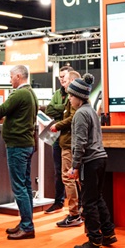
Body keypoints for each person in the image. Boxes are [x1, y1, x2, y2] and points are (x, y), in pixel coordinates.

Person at [0, 65, 39, 240]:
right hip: (25, 144)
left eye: (11, 76)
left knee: (19, 187)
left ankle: (27, 226)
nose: (10, 80)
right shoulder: (31, 93)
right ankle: (26, 223)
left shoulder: (19, 94)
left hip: (17, 145)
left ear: (18, 76)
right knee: (25, 186)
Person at [64, 75, 115, 248]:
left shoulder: (80, 114)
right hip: (101, 158)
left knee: (88, 202)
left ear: (79, 97)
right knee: (97, 197)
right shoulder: (91, 111)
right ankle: (108, 233)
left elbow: (80, 143)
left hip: (90, 161)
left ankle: (94, 241)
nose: (69, 99)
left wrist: (75, 166)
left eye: (71, 96)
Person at [46, 68, 83, 226]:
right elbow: (50, 109)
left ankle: (74, 214)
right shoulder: (70, 99)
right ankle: (78, 211)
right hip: (67, 142)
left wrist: (58, 124)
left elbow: (71, 117)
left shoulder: (75, 101)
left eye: (65, 79)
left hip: (69, 143)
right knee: (73, 178)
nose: (63, 82)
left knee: (69, 178)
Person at [43, 66, 71, 216]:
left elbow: (70, 113)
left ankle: (76, 207)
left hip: (69, 137)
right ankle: (58, 202)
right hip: (56, 137)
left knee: (71, 173)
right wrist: (63, 109)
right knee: (58, 171)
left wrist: (60, 110)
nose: (61, 79)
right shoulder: (57, 93)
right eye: (60, 77)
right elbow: (49, 110)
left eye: (63, 77)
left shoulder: (74, 93)